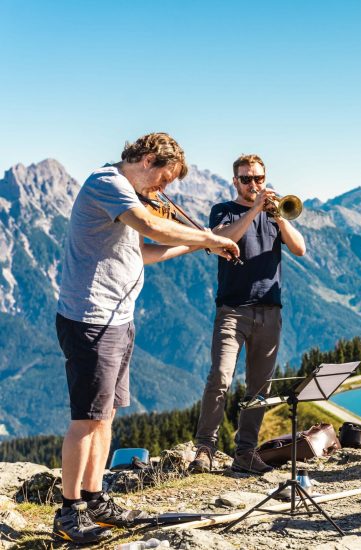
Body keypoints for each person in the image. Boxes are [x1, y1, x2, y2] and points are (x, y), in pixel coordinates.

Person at [54, 133, 240, 544]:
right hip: (90, 320)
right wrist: (208, 237)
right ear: (149, 159)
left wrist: (199, 247)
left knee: (106, 416)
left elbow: (147, 250)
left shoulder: (130, 195)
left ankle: (94, 497)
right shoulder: (108, 184)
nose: (164, 190)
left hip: (118, 319)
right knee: (85, 420)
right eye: (164, 179)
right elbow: (151, 223)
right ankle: (68, 513)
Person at [189, 154, 306, 476]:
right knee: (220, 379)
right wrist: (254, 209)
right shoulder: (223, 211)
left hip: (270, 310)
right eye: (246, 179)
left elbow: (299, 249)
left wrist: (279, 218)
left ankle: (246, 452)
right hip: (233, 310)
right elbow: (225, 239)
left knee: (259, 388)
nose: (253, 184)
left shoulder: (274, 214)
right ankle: (205, 448)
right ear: (235, 181)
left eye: (258, 179)